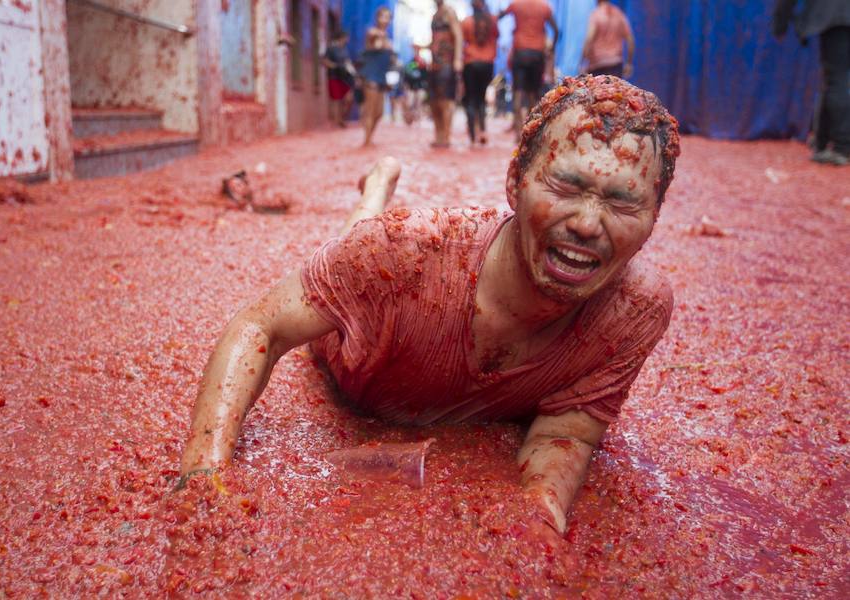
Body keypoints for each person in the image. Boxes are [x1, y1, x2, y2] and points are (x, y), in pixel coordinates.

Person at [179, 74, 681, 538]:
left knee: (358, 247)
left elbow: (567, 426)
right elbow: (260, 325)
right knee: (354, 243)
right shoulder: (403, 253)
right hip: (354, 351)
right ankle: (377, 187)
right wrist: (204, 474)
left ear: (654, 218)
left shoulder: (636, 310)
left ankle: (378, 191)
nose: (588, 225)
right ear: (515, 183)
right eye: (566, 187)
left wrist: (539, 508)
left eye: (621, 202)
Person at [774, 0, 850, 166]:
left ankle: (842, 146)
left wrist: (780, 21)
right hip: (838, 16)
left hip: (837, 17)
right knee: (834, 78)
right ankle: (822, 141)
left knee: (836, 78)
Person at [499, 0, 559, 136]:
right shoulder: (544, 6)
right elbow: (555, 30)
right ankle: (531, 131)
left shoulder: (516, 4)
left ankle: (517, 133)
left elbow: (499, 16)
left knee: (517, 94)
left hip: (520, 53)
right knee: (533, 94)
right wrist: (551, 49)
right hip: (537, 54)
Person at [461, 0, 500, 146]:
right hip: (487, 63)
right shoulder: (492, 20)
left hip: (470, 63)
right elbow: (496, 36)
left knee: (470, 99)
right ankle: (483, 131)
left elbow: (463, 40)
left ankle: (472, 136)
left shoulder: (466, 22)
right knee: (481, 99)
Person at [358, 7, 394, 147]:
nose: (385, 20)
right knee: (370, 109)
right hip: (371, 75)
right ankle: (366, 140)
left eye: (387, 17)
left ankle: (370, 137)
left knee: (379, 112)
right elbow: (373, 37)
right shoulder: (372, 32)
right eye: (382, 16)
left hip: (382, 77)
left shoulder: (387, 39)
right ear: (377, 18)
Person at [429, 0, 464, 148]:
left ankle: (446, 135)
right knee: (434, 100)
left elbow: (458, 36)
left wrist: (457, 59)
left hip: (447, 62)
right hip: (435, 63)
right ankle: (438, 134)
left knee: (446, 99)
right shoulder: (435, 15)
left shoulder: (449, 12)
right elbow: (436, 40)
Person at [581, 0, 635, 79]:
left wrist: (582, 62)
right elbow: (630, 40)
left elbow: (589, 39)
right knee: (615, 90)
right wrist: (629, 63)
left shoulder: (596, 15)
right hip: (615, 65)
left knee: (598, 90)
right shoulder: (618, 14)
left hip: (597, 65)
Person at [322, 30, 356, 128]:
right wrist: (335, 66)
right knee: (336, 100)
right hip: (334, 76)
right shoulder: (331, 48)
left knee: (348, 98)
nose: (348, 40)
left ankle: (342, 118)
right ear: (342, 37)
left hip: (345, 78)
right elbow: (324, 60)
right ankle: (336, 121)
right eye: (346, 37)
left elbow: (347, 62)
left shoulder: (344, 49)